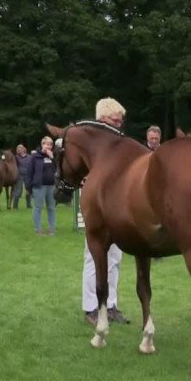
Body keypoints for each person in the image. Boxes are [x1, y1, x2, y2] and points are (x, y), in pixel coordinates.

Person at [82, 97, 130, 325]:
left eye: (121, 121)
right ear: (101, 120)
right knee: (94, 256)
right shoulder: (90, 144)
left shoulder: (118, 144)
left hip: (116, 207)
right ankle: (91, 307)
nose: (119, 125)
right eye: (115, 120)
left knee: (115, 258)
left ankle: (110, 305)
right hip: (97, 206)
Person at [26, 137, 56, 235]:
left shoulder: (53, 156)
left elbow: (58, 169)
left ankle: (51, 228)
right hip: (39, 186)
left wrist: (52, 158)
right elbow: (29, 173)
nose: (49, 146)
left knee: (51, 208)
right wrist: (28, 187)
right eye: (47, 144)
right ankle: (38, 229)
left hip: (51, 185)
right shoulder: (35, 157)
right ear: (42, 144)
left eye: (51, 144)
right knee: (38, 208)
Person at [12, 144, 32, 209]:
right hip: (19, 175)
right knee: (18, 190)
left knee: (28, 190)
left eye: (21, 148)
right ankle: (15, 206)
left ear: (24, 149)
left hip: (28, 175)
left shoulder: (29, 157)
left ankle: (28, 205)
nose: (19, 150)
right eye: (18, 149)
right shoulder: (16, 157)